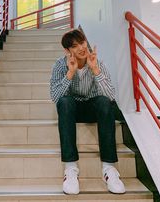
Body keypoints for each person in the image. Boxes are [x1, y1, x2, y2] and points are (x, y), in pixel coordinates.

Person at [50, 29, 125, 195]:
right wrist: (70, 73)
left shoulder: (96, 62)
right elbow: (55, 97)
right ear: (67, 51)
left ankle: (109, 169)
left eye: (82, 43)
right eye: (75, 46)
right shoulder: (60, 65)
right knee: (64, 102)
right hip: (72, 110)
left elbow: (111, 96)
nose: (81, 48)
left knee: (105, 102)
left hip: (92, 108)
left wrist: (95, 70)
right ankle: (70, 169)